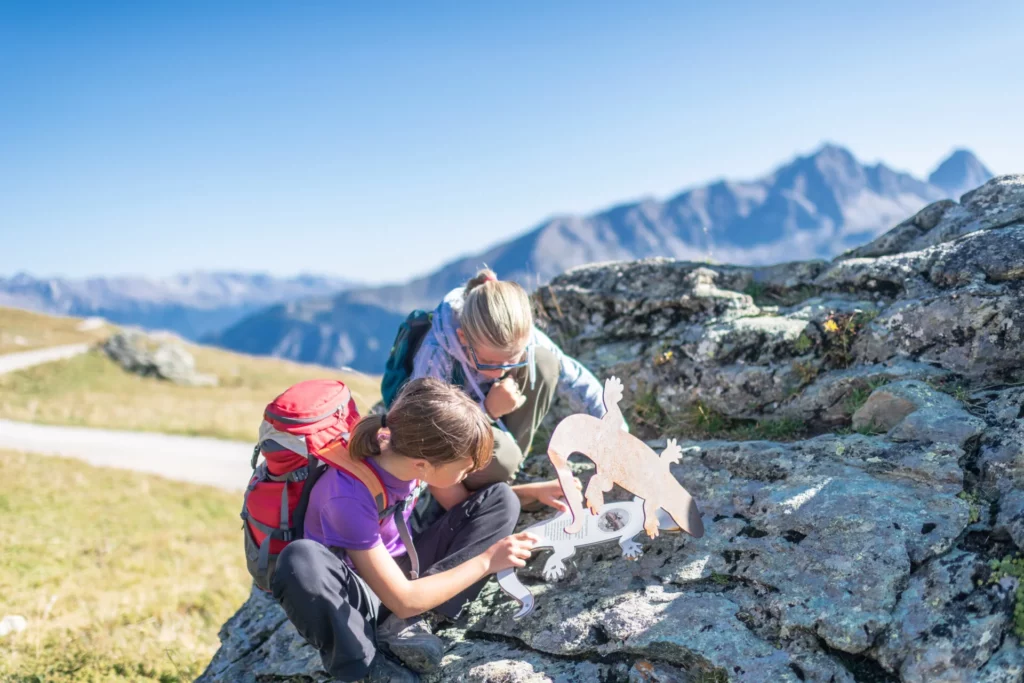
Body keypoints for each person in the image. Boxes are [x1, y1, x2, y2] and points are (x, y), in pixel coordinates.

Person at [271, 378, 559, 682]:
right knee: (300, 559)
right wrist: (488, 560)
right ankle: (366, 669)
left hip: (397, 570)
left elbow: (464, 504)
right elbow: (403, 599)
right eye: (465, 468)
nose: (470, 474)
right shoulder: (347, 496)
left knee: (501, 498)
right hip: (359, 593)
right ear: (424, 465)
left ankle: (415, 623)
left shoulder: (404, 454)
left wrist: (531, 493)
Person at [412, 268, 620, 493]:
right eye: (487, 362)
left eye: (511, 361)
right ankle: (491, 486)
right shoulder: (437, 355)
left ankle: (513, 468)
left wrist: (615, 433)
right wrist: (487, 411)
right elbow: (429, 435)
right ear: (463, 338)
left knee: (543, 361)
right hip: (454, 446)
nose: (498, 373)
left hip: (495, 426)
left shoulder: (525, 338)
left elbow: (577, 381)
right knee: (503, 458)